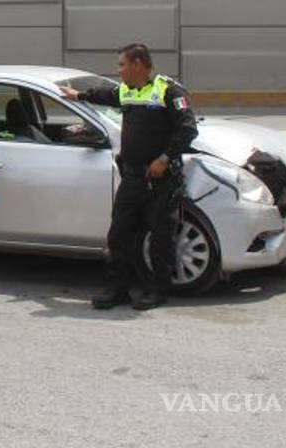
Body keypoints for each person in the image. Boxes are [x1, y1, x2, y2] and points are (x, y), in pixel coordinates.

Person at [59, 43, 198, 311]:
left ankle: (157, 290)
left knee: (160, 236)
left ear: (138, 64)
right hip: (133, 176)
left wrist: (163, 159)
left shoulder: (169, 90)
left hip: (161, 177)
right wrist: (78, 95)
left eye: (122, 64)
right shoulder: (127, 91)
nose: (118, 70)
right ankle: (117, 288)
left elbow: (187, 130)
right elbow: (106, 96)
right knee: (119, 235)